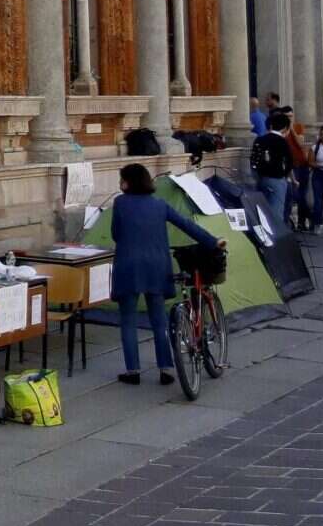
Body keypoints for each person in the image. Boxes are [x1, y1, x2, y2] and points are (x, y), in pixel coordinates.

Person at [105, 162, 220, 387]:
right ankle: (166, 367)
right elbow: (187, 225)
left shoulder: (120, 203)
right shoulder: (160, 205)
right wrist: (213, 241)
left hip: (128, 266)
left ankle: (133, 370)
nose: (120, 183)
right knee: (159, 320)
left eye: (121, 179)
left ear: (127, 182)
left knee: (128, 320)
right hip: (157, 266)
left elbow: (116, 234)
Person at [248, 118, 294, 235]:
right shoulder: (282, 141)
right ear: (285, 128)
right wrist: (284, 174)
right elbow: (290, 161)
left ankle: (263, 234)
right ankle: (276, 236)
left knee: (262, 209)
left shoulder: (260, 139)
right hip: (277, 179)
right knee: (276, 211)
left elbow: (253, 160)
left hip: (261, 178)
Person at [283, 110, 314, 231]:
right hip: (292, 166)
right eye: (287, 116)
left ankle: (302, 221)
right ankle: (310, 216)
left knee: (302, 194)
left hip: (302, 165)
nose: (289, 118)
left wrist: (291, 129)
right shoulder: (282, 131)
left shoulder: (297, 127)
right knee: (295, 195)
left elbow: (300, 143)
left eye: (291, 116)